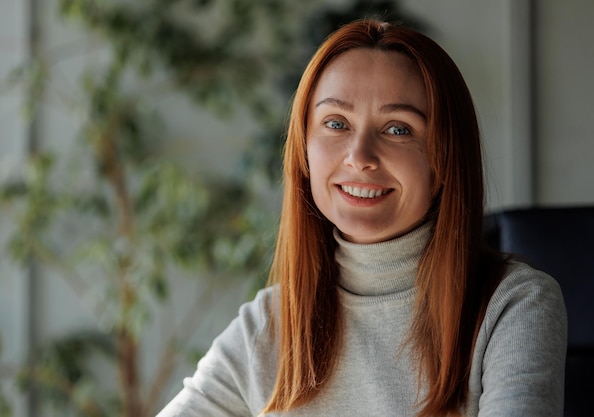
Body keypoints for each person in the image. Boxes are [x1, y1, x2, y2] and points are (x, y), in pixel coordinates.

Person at [156, 19, 567, 417]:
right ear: (304, 153)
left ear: (444, 160)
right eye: (336, 123)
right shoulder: (269, 324)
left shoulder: (513, 306)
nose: (360, 157)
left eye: (398, 129)